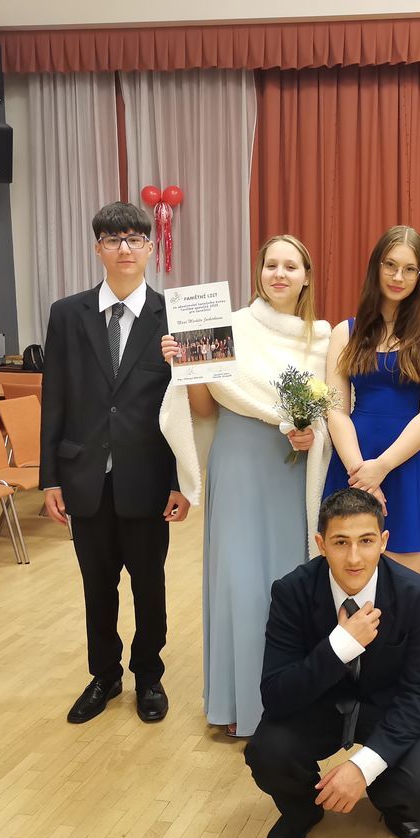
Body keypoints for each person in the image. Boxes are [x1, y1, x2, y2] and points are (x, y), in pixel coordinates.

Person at [160, 235, 332, 739]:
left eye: (290, 266)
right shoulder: (228, 325)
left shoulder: (321, 338)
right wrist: (186, 365)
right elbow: (205, 409)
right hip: (237, 464)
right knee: (239, 583)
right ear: (259, 272)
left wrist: (313, 432)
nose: (279, 274)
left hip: (291, 471)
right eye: (270, 265)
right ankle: (238, 702)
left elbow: (331, 410)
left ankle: (290, 701)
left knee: (287, 583)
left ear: (306, 277)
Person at [40, 201, 190, 725]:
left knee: (150, 586)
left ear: (150, 248)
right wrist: (50, 478)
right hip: (85, 477)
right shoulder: (67, 313)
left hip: (148, 478)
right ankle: (104, 674)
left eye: (134, 239)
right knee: (97, 587)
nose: (124, 248)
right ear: (98, 248)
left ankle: (149, 674)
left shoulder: (175, 315)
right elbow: (55, 397)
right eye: (112, 239)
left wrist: (182, 481)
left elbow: (189, 409)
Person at [245, 488, 420, 838]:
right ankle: (301, 812)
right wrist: (340, 646)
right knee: (266, 752)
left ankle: (391, 803)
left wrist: (363, 768)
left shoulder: (417, 594)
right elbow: (275, 695)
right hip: (318, 708)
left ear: (383, 541)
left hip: (385, 713)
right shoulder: (291, 591)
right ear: (321, 544)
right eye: (341, 542)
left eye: (366, 541)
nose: (354, 557)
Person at [322, 225, 420, 574]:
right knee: (348, 583)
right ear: (376, 267)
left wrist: (381, 468)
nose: (399, 277)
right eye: (391, 265)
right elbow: (335, 411)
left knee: (403, 589)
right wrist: (361, 475)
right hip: (353, 462)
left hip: (409, 464)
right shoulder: (344, 332)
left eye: (410, 269)